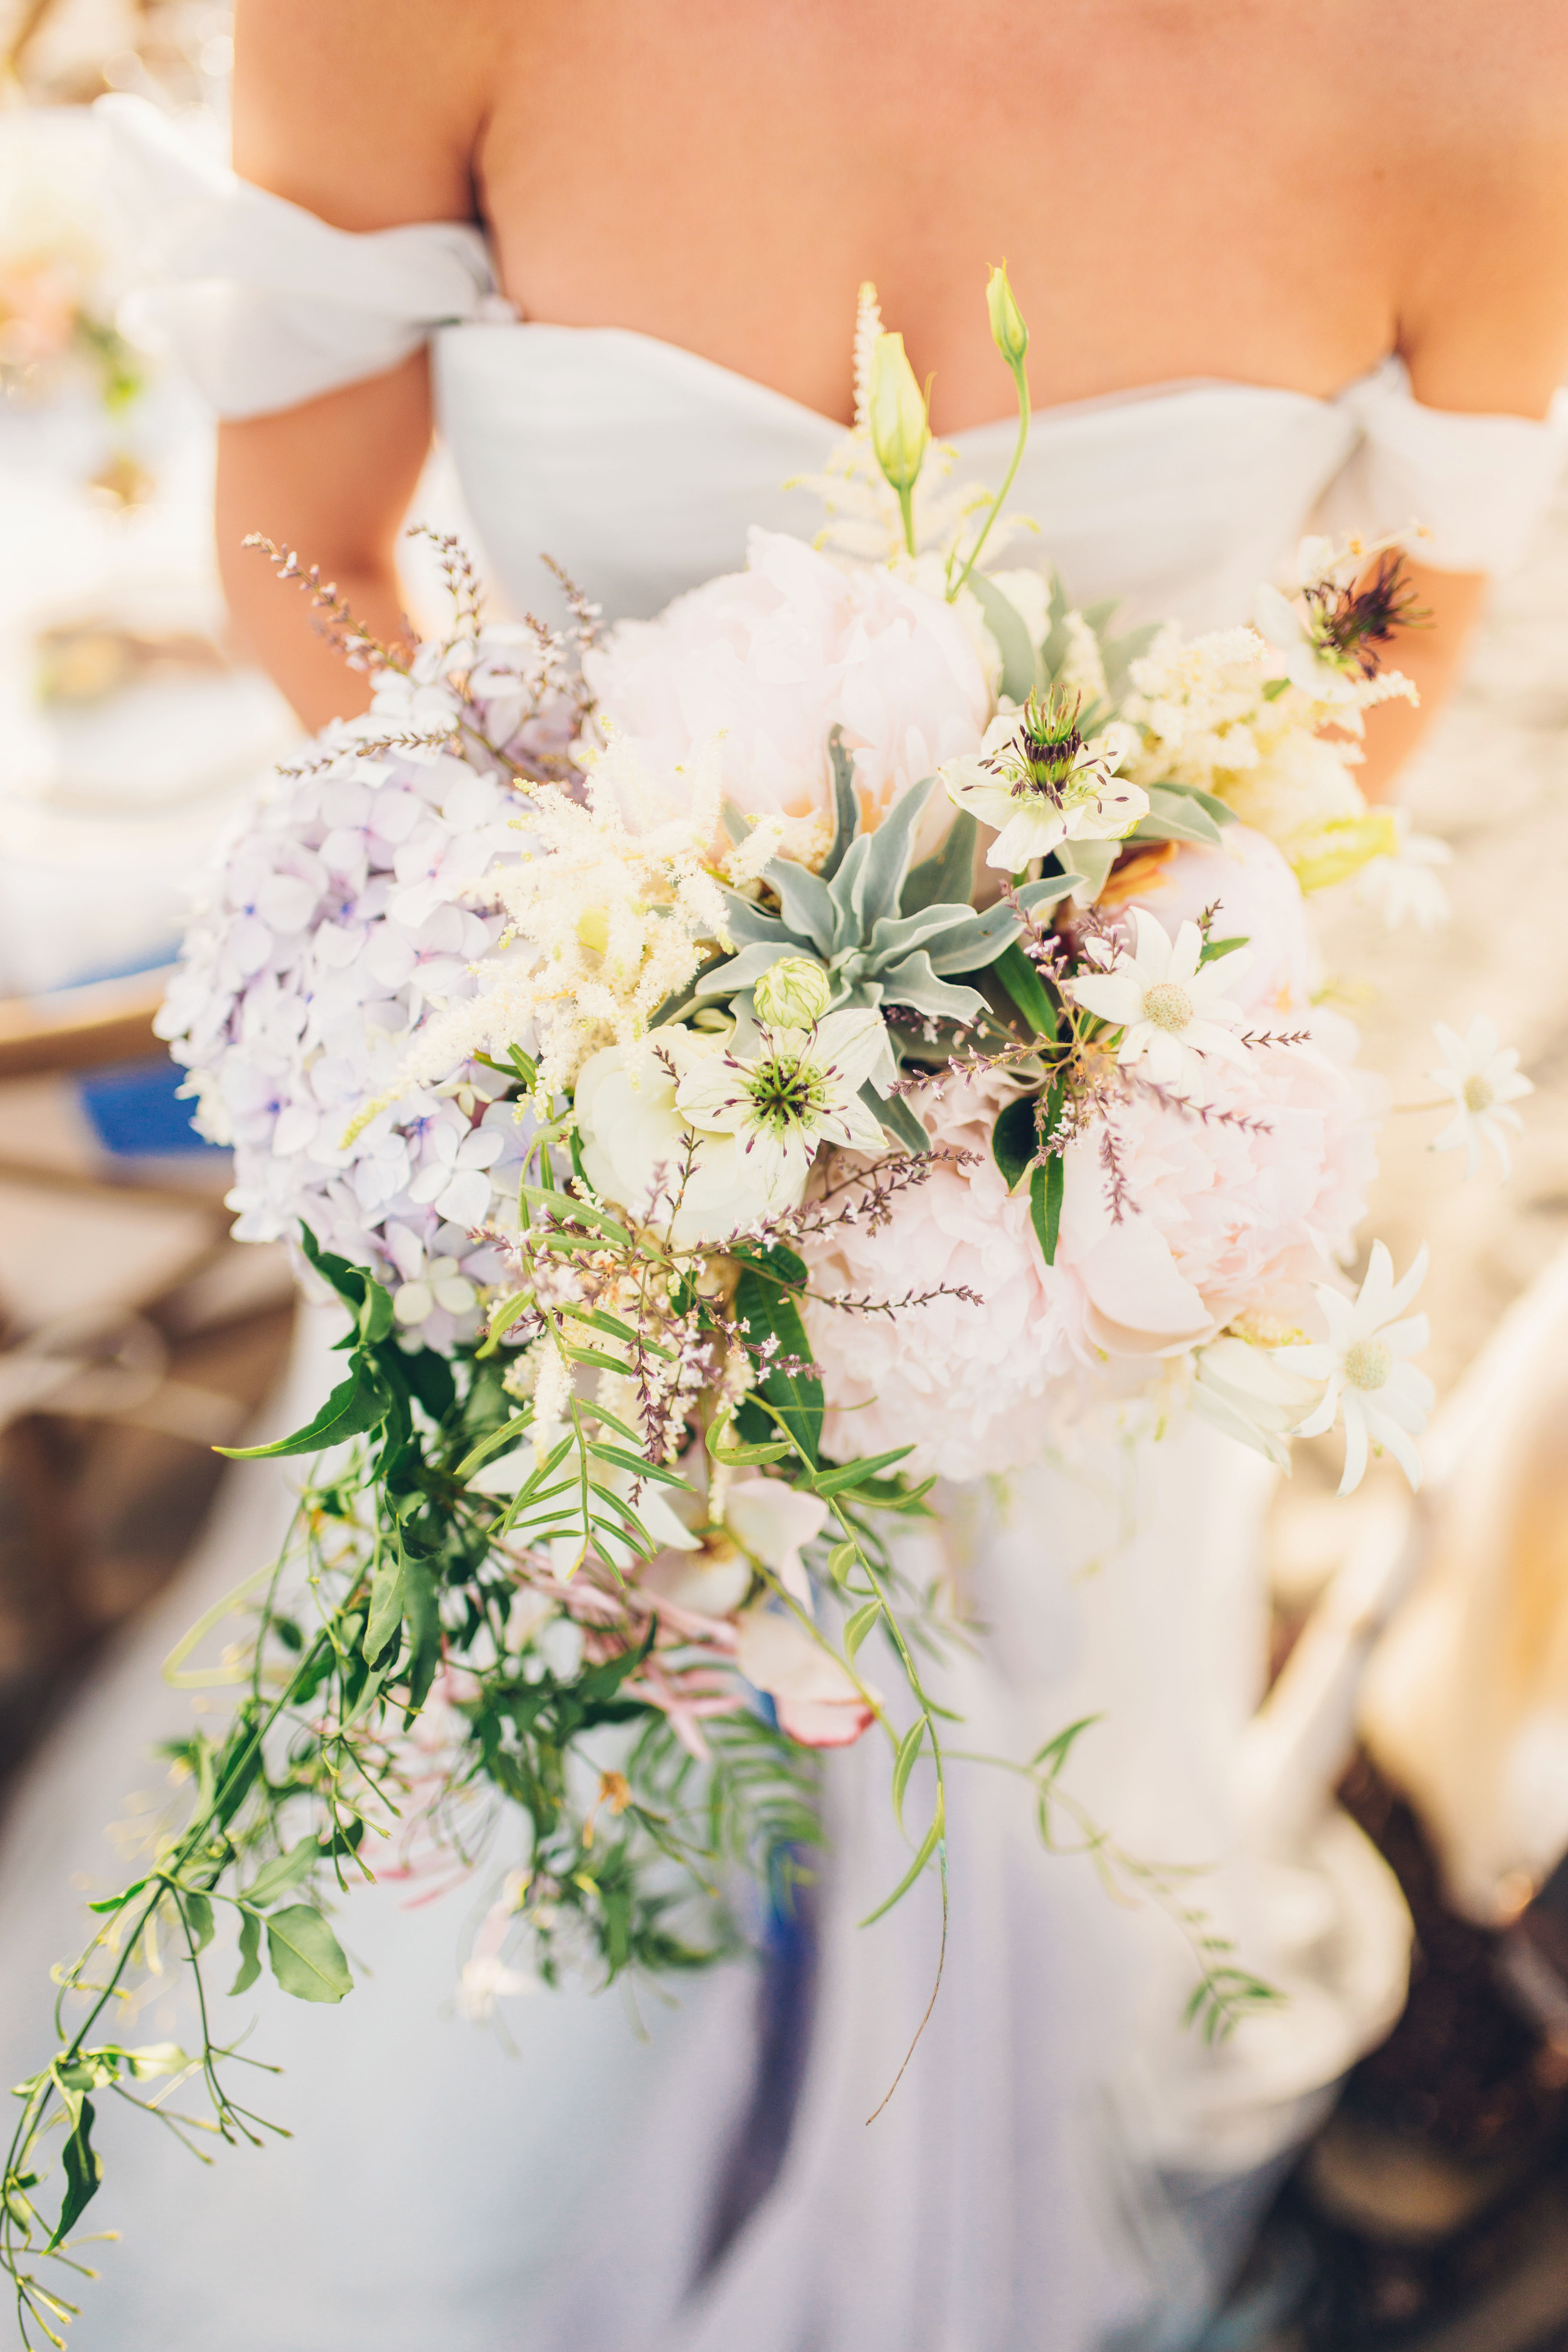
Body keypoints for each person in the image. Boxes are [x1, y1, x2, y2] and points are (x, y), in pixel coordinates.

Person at [4, 6, 1567, 2346]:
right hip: (541, 1176)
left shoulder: (1478, 72)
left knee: (1006, 1829)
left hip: (1066, 1220)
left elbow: (1384, 636)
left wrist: (1046, 1062)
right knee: (468, 1886)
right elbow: (297, 550)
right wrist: (580, 1043)